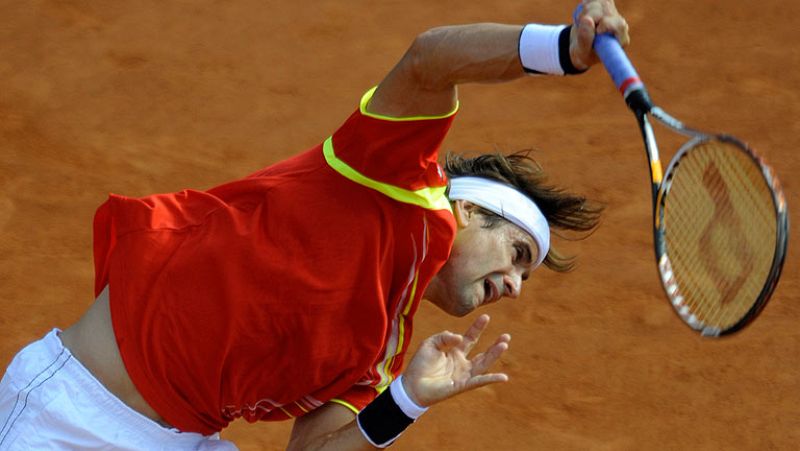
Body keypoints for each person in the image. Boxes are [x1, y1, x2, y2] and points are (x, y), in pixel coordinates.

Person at [0, 1, 629, 449]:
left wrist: (406, 400)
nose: (515, 285)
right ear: (466, 210)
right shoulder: (391, 180)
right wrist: (560, 49)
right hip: (69, 416)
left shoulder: (382, 354)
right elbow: (429, 59)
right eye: (517, 252)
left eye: (525, 276)